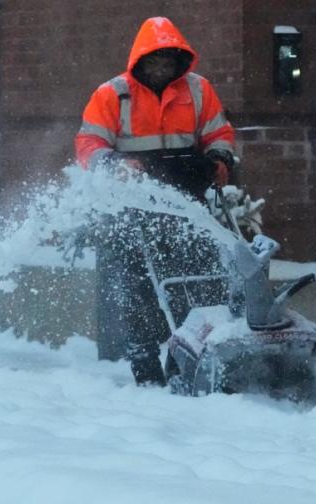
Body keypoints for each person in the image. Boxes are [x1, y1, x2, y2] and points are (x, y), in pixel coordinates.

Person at [74, 17, 236, 386]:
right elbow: (88, 145)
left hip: (187, 203)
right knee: (141, 289)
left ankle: (195, 355)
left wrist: (220, 159)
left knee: (199, 282)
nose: (162, 69)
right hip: (133, 207)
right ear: (140, 61)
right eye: (155, 62)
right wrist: (115, 163)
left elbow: (219, 133)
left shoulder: (198, 91)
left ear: (180, 61)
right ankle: (145, 363)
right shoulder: (113, 95)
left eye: (168, 62)